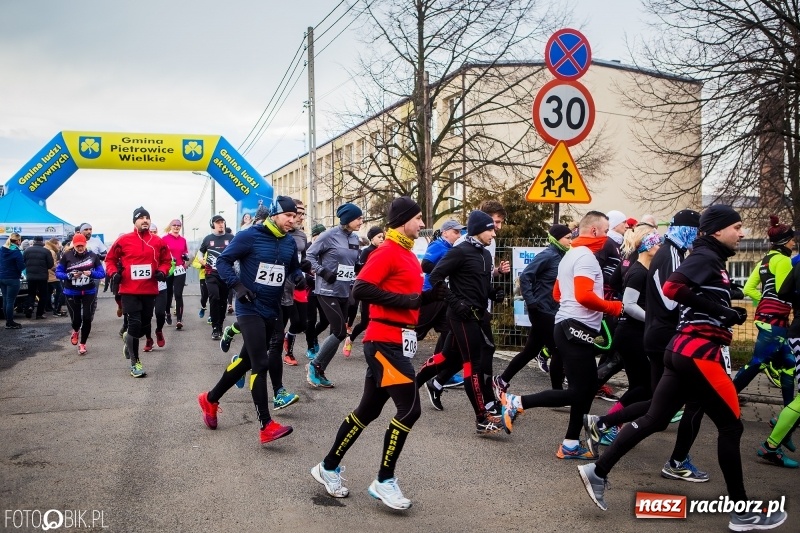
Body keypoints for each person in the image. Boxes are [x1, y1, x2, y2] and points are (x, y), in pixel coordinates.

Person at [577, 205, 789, 532]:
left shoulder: (706, 258)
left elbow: (690, 293)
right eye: (737, 227)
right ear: (717, 230)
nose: (742, 233)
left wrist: (725, 309)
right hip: (698, 353)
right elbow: (674, 289)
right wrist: (720, 310)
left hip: (679, 349)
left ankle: (598, 470)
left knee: (656, 417)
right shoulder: (702, 257)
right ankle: (742, 511)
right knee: (732, 428)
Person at [311, 196, 442, 509]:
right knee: (410, 410)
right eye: (419, 218)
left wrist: (433, 296)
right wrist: (406, 302)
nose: (423, 224)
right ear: (403, 220)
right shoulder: (387, 252)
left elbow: (408, 297)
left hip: (399, 341)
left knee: (367, 411)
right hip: (383, 341)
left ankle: (327, 467)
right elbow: (361, 289)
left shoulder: (409, 255)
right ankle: (384, 480)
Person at [500, 212, 623, 458]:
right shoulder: (586, 257)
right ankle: (518, 402)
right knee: (579, 391)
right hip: (574, 329)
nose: (609, 236)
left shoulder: (571, 254)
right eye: (607, 230)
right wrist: (615, 307)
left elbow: (557, 292)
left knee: (586, 389)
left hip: (572, 326)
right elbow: (584, 296)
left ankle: (570, 444)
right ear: (596, 231)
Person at [197, 196, 302, 445]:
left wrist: (299, 277)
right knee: (261, 363)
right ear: (275, 214)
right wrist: (237, 286)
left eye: (295, 216)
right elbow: (223, 261)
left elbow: (293, 268)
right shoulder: (249, 236)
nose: (293, 219)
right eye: (288, 215)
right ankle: (266, 425)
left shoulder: (289, 242)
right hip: (249, 307)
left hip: (272, 309)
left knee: (245, 361)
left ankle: (210, 399)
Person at [423, 210, 508, 434]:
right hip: (461, 316)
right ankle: (482, 418)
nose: (494, 232)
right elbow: (435, 277)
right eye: (491, 228)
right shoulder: (460, 251)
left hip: (479, 314)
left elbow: (482, 284)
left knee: (446, 357)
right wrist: (454, 302)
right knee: (474, 365)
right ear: (479, 229)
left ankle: (421, 383)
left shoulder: (485, 254)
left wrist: (494, 293)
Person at [491, 224, 572, 401]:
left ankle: (501, 380)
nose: (570, 240)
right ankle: (558, 395)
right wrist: (532, 302)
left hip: (552, 309)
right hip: (542, 310)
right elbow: (526, 276)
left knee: (530, 350)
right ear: (557, 238)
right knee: (558, 350)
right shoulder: (548, 255)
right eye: (567, 237)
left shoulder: (563, 256)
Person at [734, 215, 796, 406]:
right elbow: (784, 291)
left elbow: (748, 289)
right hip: (774, 321)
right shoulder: (784, 261)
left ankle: (789, 409)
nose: (794, 243)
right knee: (758, 362)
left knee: (789, 364)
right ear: (785, 241)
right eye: (793, 239)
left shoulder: (765, 261)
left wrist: (765, 301)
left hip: (766, 317)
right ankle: (725, 396)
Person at [105, 207, 172, 378]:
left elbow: (166, 260)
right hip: (129, 290)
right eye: (141, 218)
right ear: (134, 221)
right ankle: (135, 363)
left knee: (143, 326)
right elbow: (110, 259)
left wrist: (163, 272)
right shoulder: (124, 240)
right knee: (134, 323)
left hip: (149, 290)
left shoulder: (158, 241)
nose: (145, 220)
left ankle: (129, 338)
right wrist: (113, 273)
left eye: (147, 218)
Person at [306, 203, 363, 387]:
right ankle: (314, 366)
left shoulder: (354, 238)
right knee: (339, 331)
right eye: (358, 218)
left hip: (344, 290)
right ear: (347, 219)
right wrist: (322, 272)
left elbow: (354, 262)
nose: (361, 221)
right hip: (326, 289)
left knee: (336, 334)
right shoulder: (328, 236)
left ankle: (320, 370)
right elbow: (309, 257)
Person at [56, 233, 105, 355]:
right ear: (73, 245)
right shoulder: (66, 256)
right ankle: (76, 330)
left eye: (82, 245)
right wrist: (69, 275)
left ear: (85, 244)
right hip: (71, 291)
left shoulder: (93, 256)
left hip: (89, 291)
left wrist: (91, 273)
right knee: (76, 319)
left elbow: (102, 273)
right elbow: (58, 272)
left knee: (87, 318)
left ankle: (82, 344)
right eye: (77, 246)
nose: (80, 248)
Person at [343, 225, 385, 357]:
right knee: (365, 321)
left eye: (383, 237)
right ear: (372, 238)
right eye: (379, 237)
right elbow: (360, 271)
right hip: (367, 289)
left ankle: (377, 347)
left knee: (379, 319)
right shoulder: (367, 252)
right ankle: (350, 339)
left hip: (380, 290)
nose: (382, 239)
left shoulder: (384, 251)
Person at [199, 215, 231, 340]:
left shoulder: (231, 238)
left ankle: (220, 324)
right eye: (218, 222)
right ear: (212, 225)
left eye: (222, 222)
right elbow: (200, 252)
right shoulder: (208, 239)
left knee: (223, 300)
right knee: (214, 298)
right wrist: (202, 261)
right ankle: (215, 328)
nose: (221, 224)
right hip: (211, 274)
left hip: (226, 274)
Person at [162, 218, 190, 330]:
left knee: (178, 294)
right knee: (168, 293)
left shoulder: (183, 240)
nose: (176, 227)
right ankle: (167, 312)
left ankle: (179, 319)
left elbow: (185, 252)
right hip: (169, 269)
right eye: (174, 225)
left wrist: (185, 256)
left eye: (178, 225)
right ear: (170, 226)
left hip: (180, 269)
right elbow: (161, 253)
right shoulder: (164, 239)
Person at [305, 224, 327, 359]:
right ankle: (310, 347)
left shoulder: (326, 249)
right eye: (321, 235)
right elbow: (304, 272)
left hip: (322, 290)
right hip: (309, 291)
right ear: (315, 236)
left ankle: (313, 336)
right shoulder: (307, 249)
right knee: (310, 320)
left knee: (325, 320)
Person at [23, 235, 54, 320]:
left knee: (31, 293)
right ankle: (39, 314)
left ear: (34, 241)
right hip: (42, 276)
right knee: (43, 295)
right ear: (42, 241)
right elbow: (50, 265)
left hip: (30, 276)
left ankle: (29, 307)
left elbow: (23, 262)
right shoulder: (46, 251)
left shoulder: (27, 250)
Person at [1, 233, 25, 329]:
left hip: (1, 277)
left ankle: (8, 321)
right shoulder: (16, 252)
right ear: (18, 241)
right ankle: (10, 322)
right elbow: (21, 266)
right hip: (12, 278)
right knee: (10, 300)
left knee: (5, 299)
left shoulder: (2, 249)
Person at [44, 237, 66, 317]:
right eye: (58, 245)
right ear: (55, 244)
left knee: (48, 292)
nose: (59, 246)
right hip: (52, 275)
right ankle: (57, 309)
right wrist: (59, 267)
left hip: (45, 275)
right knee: (60, 291)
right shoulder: (52, 251)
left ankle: (48, 307)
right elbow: (52, 266)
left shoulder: (45, 249)